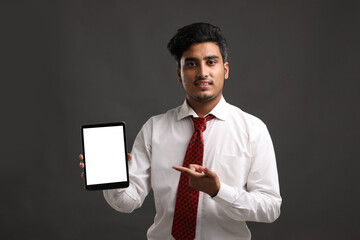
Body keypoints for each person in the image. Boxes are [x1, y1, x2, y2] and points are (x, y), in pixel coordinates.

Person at [79, 22, 281, 240]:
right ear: (179, 73)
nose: (203, 72)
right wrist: (112, 180)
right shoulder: (154, 128)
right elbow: (128, 202)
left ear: (225, 70)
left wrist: (218, 190)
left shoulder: (253, 130)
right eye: (192, 64)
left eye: (211, 62)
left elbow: (270, 208)